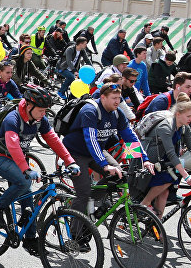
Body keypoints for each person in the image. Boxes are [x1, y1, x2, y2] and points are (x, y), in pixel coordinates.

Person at [0, 85, 79, 254]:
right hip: (0, 157)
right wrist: (25, 169)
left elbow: (53, 139)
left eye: (46, 110)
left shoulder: (39, 119)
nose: (44, 114)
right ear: (29, 106)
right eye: (41, 110)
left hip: (18, 159)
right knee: (24, 182)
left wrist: (69, 161)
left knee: (27, 200)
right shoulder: (12, 118)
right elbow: (13, 144)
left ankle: (30, 239)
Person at [62, 83, 154, 219]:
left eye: (119, 98)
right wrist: (105, 165)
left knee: (119, 175)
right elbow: (91, 139)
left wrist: (143, 160)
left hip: (96, 150)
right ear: (103, 97)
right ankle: (76, 234)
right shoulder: (90, 110)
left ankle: (90, 202)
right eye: (114, 98)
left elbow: (129, 136)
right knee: (84, 192)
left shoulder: (117, 113)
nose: (117, 101)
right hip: (75, 152)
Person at [139, 94, 191, 215]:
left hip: (165, 160)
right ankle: (144, 204)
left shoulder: (185, 127)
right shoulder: (166, 126)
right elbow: (171, 154)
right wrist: (186, 176)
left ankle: (157, 225)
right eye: (189, 116)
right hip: (151, 157)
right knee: (169, 179)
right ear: (178, 114)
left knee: (164, 192)